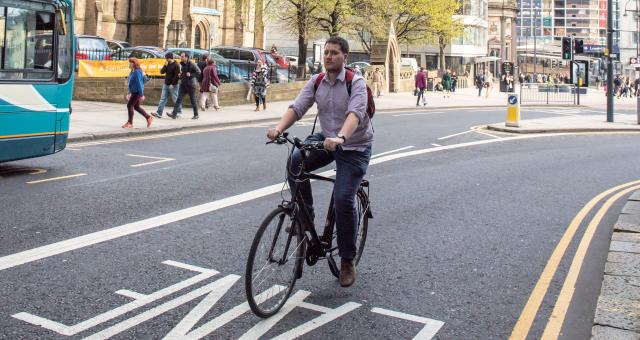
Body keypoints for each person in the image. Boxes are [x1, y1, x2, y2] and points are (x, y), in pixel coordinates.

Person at [266, 36, 373, 288]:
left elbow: (355, 114)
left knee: (343, 198)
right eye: (326, 52)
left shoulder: (355, 83)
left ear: (344, 57)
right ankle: (305, 215)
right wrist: (279, 128)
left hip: (354, 146)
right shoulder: (317, 82)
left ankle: (347, 260)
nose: (328, 57)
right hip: (326, 139)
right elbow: (298, 107)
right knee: (295, 161)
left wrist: (341, 137)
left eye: (334, 53)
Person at [168, 52, 201, 119]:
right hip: (183, 84)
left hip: (191, 85)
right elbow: (183, 73)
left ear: (186, 57)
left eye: (182, 56)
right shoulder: (181, 64)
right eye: (181, 56)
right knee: (178, 99)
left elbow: (199, 71)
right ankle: (174, 114)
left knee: (193, 100)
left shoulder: (192, 64)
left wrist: (191, 75)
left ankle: (196, 115)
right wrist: (180, 75)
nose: (181, 57)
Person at [123, 57, 152, 129]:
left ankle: (130, 123)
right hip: (134, 92)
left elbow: (139, 83)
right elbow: (130, 83)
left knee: (129, 105)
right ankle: (148, 117)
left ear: (133, 64)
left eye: (130, 62)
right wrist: (129, 92)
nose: (129, 64)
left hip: (137, 92)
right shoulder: (133, 71)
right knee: (136, 107)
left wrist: (141, 94)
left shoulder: (137, 72)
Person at [152, 52, 180, 119]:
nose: (166, 60)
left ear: (170, 58)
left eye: (167, 59)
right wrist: (165, 66)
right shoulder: (167, 64)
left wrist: (172, 84)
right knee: (162, 99)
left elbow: (176, 76)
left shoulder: (176, 65)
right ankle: (159, 113)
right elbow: (161, 72)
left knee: (175, 99)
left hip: (173, 85)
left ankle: (178, 112)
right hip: (166, 84)